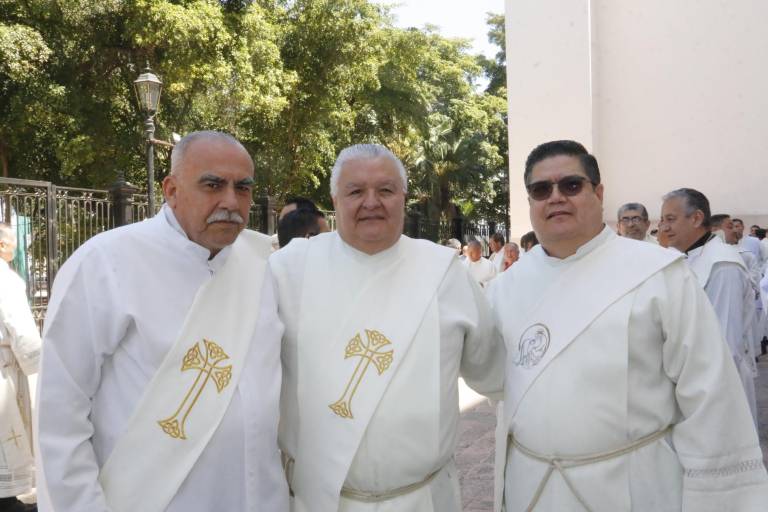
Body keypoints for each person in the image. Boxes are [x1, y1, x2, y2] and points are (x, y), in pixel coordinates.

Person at [489, 140, 768, 512]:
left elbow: (710, 396)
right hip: (534, 489)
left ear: (598, 193)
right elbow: (488, 376)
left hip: (634, 488)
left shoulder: (659, 274)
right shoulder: (506, 287)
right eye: (541, 190)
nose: (555, 197)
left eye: (571, 185)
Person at [35, 131, 288, 512]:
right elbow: (60, 415)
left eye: (243, 188)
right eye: (212, 185)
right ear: (171, 190)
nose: (231, 201)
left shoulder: (265, 265)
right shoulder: (106, 263)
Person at [270, 143, 504, 512]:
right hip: (320, 500)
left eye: (385, 190)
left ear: (403, 197)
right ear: (335, 199)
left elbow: (494, 371)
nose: (371, 202)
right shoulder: (287, 271)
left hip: (423, 499)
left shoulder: (444, 273)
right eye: (355, 191)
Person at [661, 190, 759, 423]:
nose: (664, 227)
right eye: (663, 220)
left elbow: (725, 345)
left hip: (717, 389)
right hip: (690, 382)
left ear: (696, 218)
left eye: (671, 219)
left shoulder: (722, 266)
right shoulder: (685, 258)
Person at [0, 224, 40, 512]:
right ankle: (6, 497)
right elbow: (20, 328)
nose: (15, 249)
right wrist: (39, 364)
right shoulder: (5, 278)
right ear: (2, 245)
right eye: (13, 243)